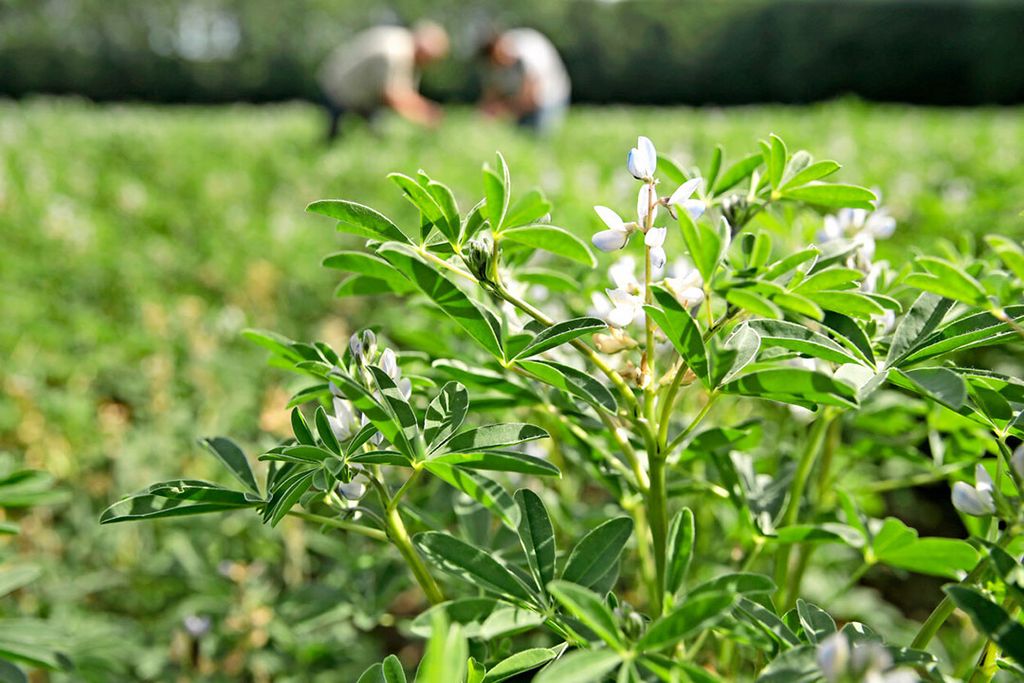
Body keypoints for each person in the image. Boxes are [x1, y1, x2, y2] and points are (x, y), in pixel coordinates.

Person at [317, 21, 449, 140]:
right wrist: (426, 112)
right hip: (341, 88)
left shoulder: (404, 45)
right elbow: (392, 95)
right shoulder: (395, 53)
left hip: (365, 95)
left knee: (373, 137)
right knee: (334, 138)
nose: (428, 65)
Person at [478, 28, 570, 134]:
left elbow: (531, 97)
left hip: (549, 96)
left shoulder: (528, 52)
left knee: (540, 135)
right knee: (522, 137)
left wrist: (504, 109)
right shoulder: (498, 59)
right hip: (522, 102)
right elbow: (493, 91)